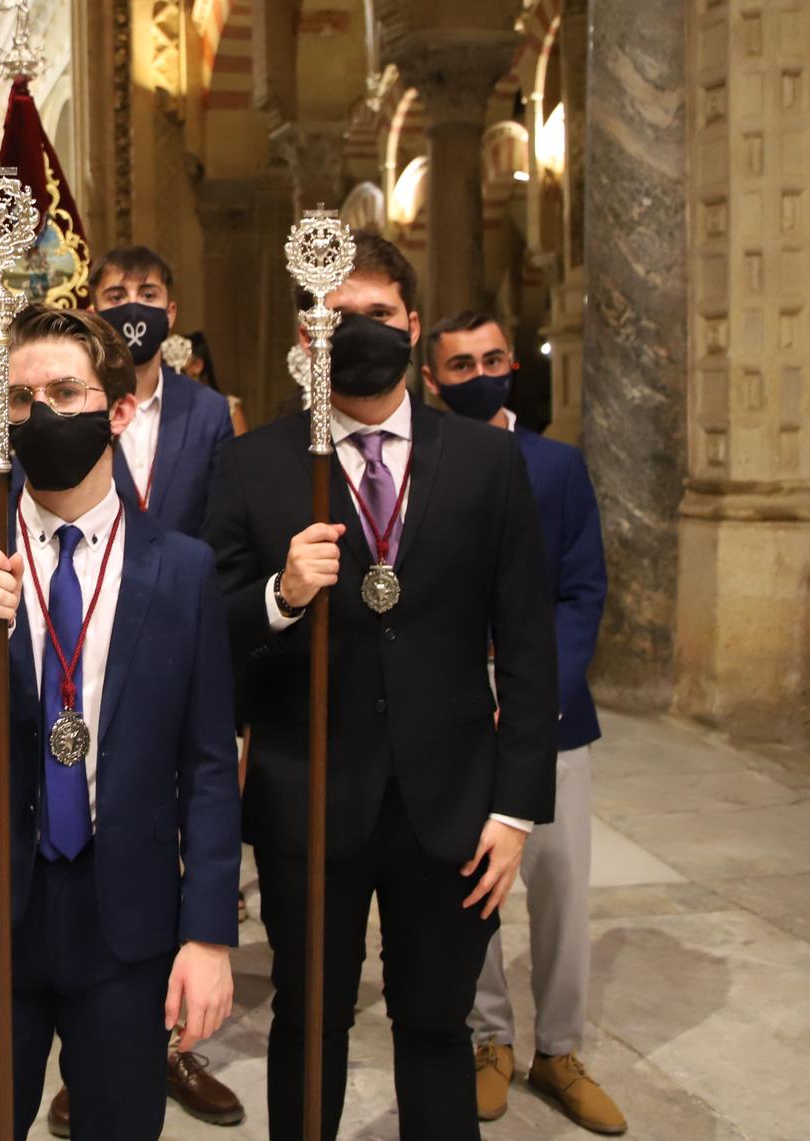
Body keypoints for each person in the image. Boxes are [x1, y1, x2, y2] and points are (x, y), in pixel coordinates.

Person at [202, 233, 558, 1141]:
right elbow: (212, 628)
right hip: (307, 790)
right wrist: (281, 594)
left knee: (436, 1024)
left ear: (411, 325)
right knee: (309, 1020)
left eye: (381, 314)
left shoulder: (486, 461)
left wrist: (516, 810)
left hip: (450, 799)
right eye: (340, 315)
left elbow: (526, 641)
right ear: (306, 330)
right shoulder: (257, 463)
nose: (362, 330)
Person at [0, 305, 242, 1141]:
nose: (39, 412)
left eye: (64, 390)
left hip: (127, 914)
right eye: (17, 397)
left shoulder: (182, 568)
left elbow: (210, 766)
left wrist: (209, 934)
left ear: (117, 410)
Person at [422, 312, 624, 1135]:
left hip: (553, 715)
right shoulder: (424, 465)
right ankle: (488, 1039)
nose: (481, 374)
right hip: (460, 715)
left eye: (494, 359)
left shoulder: (558, 466)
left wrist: (535, 697)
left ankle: (561, 1048)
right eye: (461, 364)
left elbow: (583, 589)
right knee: (473, 887)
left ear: (514, 364)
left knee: (562, 884)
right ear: (432, 378)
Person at [90, 246, 235, 538]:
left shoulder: (209, 410)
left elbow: (224, 519)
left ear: (170, 314)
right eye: (116, 297)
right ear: (93, 315)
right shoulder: (74, 406)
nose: (133, 308)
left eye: (148, 295)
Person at [177, 330, 249, 437]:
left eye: (179, 370)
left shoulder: (228, 410)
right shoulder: (168, 409)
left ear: (197, 365)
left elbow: (243, 451)